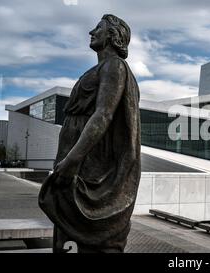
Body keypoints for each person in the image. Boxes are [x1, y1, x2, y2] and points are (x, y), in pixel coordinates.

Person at [38, 14, 141, 253]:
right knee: (65, 232)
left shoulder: (114, 66)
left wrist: (73, 160)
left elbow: (103, 114)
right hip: (79, 163)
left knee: (86, 237)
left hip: (87, 166)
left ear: (112, 37)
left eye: (98, 28)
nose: (91, 32)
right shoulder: (99, 68)